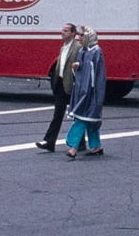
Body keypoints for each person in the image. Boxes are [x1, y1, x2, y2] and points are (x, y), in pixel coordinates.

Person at [36, 23, 83, 152]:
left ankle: (81, 143)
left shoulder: (78, 47)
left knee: (77, 115)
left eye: (66, 31)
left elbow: (82, 66)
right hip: (61, 84)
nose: (62, 32)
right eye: (62, 30)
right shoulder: (63, 48)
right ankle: (50, 142)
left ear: (73, 33)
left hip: (72, 85)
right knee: (58, 115)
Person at [66, 26, 106, 159]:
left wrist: (95, 92)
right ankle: (96, 146)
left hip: (91, 91)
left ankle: (73, 146)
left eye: (82, 35)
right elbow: (81, 70)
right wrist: (76, 67)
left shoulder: (96, 51)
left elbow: (98, 75)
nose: (80, 37)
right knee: (89, 119)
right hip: (81, 89)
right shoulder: (82, 51)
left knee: (83, 118)